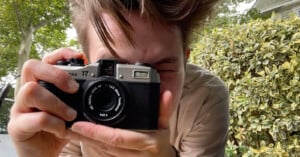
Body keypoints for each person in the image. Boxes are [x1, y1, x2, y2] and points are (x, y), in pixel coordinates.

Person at [8, 0, 229, 156]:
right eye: (112, 70)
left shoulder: (204, 98)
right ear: (88, 66)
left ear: (185, 61)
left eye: (160, 69)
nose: (134, 87)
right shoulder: (72, 100)